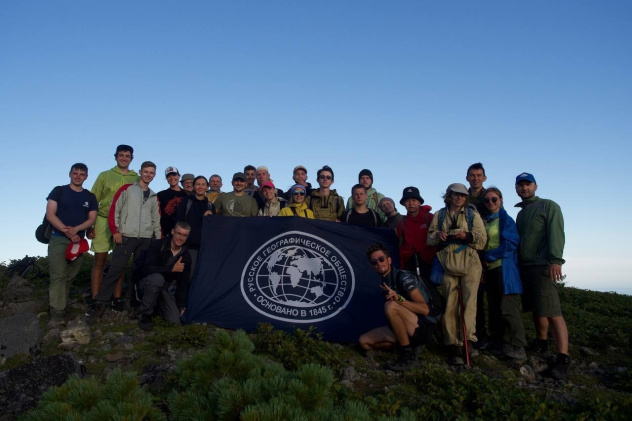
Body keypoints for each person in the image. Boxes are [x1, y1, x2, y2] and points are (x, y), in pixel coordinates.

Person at [86, 161, 161, 323]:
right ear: (140, 172)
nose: (148, 174)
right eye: (146, 171)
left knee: (139, 273)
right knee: (115, 270)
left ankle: (133, 304)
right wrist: (116, 231)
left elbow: (157, 221)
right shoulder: (126, 190)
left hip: (145, 239)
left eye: (152, 172)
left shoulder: (154, 196)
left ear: (154, 175)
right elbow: (115, 210)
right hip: (126, 235)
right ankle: (99, 304)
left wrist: (158, 240)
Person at [515, 172, 570, 380]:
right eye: (520, 185)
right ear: (516, 189)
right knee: (537, 308)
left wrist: (556, 260)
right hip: (525, 266)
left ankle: (563, 358)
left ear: (535, 186)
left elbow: (556, 233)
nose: (524, 188)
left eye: (528, 184)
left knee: (552, 310)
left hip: (543, 265)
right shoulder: (521, 213)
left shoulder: (548, 206)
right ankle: (542, 343)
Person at [427, 183, 487, 366]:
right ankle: (453, 344)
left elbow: (482, 239)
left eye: (462, 195)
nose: (459, 198)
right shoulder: (440, 214)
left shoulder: (472, 215)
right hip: (448, 261)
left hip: (470, 261)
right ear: (449, 196)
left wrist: (466, 236)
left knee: (470, 303)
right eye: (455, 195)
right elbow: (429, 238)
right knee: (450, 304)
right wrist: (438, 234)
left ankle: (467, 341)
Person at [359, 243, 438, 371]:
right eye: (374, 262)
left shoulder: (404, 277)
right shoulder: (385, 282)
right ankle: (407, 344)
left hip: (423, 325)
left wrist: (399, 300)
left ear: (389, 260)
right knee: (364, 342)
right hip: (405, 326)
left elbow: (424, 309)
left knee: (391, 306)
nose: (378, 263)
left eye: (381, 259)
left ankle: (407, 356)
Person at [88, 145, 139, 308]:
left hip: (124, 224)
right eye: (121, 155)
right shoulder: (105, 176)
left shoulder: (136, 178)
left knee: (119, 262)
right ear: (115, 157)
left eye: (127, 156)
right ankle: (96, 297)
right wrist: (91, 225)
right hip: (103, 220)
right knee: (99, 260)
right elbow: (93, 199)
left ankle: (117, 298)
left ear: (132, 158)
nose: (124, 158)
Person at [46, 163, 98, 319]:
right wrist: (68, 231)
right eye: (75, 173)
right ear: (70, 174)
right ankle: (56, 312)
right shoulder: (59, 191)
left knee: (70, 276)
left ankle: (62, 304)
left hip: (78, 242)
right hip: (58, 238)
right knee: (58, 275)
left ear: (86, 177)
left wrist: (77, 230)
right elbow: (50, 214)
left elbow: (92, 218)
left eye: (82, 174)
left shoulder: (90, 196)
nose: (78, 176)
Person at [482, 187, 527, 360]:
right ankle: (500, 342)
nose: (490, 203)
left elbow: (511, 243)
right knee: (494, 308)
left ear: (501, 200)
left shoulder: (506, 220)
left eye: (494, 199)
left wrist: (489, 256)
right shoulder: (486, 220)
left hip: (504, 269)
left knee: (508, 309)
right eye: (487, 200)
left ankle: (519, 346)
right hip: (490, 270)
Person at [136, 221, 192, 331]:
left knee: (174, 321)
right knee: (157, 279)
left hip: (166, 289)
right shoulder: (157, 245)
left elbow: (183, 283)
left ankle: (157, 307)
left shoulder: (186, 256)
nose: (181, 238)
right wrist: (171, 269)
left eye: (184, 235)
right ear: (172, 232)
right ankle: (145, 314)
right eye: (178, 234)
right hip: (148, 283)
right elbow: (146, 269)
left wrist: (182, 305)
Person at [466, 162, 490, 350]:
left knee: (492, 298)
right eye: (472, 175)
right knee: (474, 296)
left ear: (484, 178)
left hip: (487, 251)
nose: (475, 178)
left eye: (479, 175)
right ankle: (476, 334)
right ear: (468, 178)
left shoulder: (490, 197)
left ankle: (490, 336)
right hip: (467, 252)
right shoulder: (461, 196)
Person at [175, 175, 215, 281]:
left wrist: (211, 217)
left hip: (205, 247)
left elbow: (215, 228)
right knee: (189, 276)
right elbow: (179, 221)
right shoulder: (186, 202)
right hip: (188, 246)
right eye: (198, 184)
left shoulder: (211, 206)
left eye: (203, 184)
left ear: (207, 187)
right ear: (193, 187)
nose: (200, 187)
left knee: (202, 277)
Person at [396, 187, 437, 280]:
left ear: (419, 202)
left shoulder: (430, 218)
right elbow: (402, 246)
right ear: (404, 204)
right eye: (407, 201)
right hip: (410, 265)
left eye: (414, 200)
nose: (411, 204)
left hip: (429, 263)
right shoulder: (402, 223)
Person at [157, 166, 188, 236]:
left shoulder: (187, 195)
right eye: (169, 176)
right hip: (166, 233)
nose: (172, 178)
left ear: (179, 176)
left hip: (183, 232)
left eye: (174, 175)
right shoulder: (160, 195)